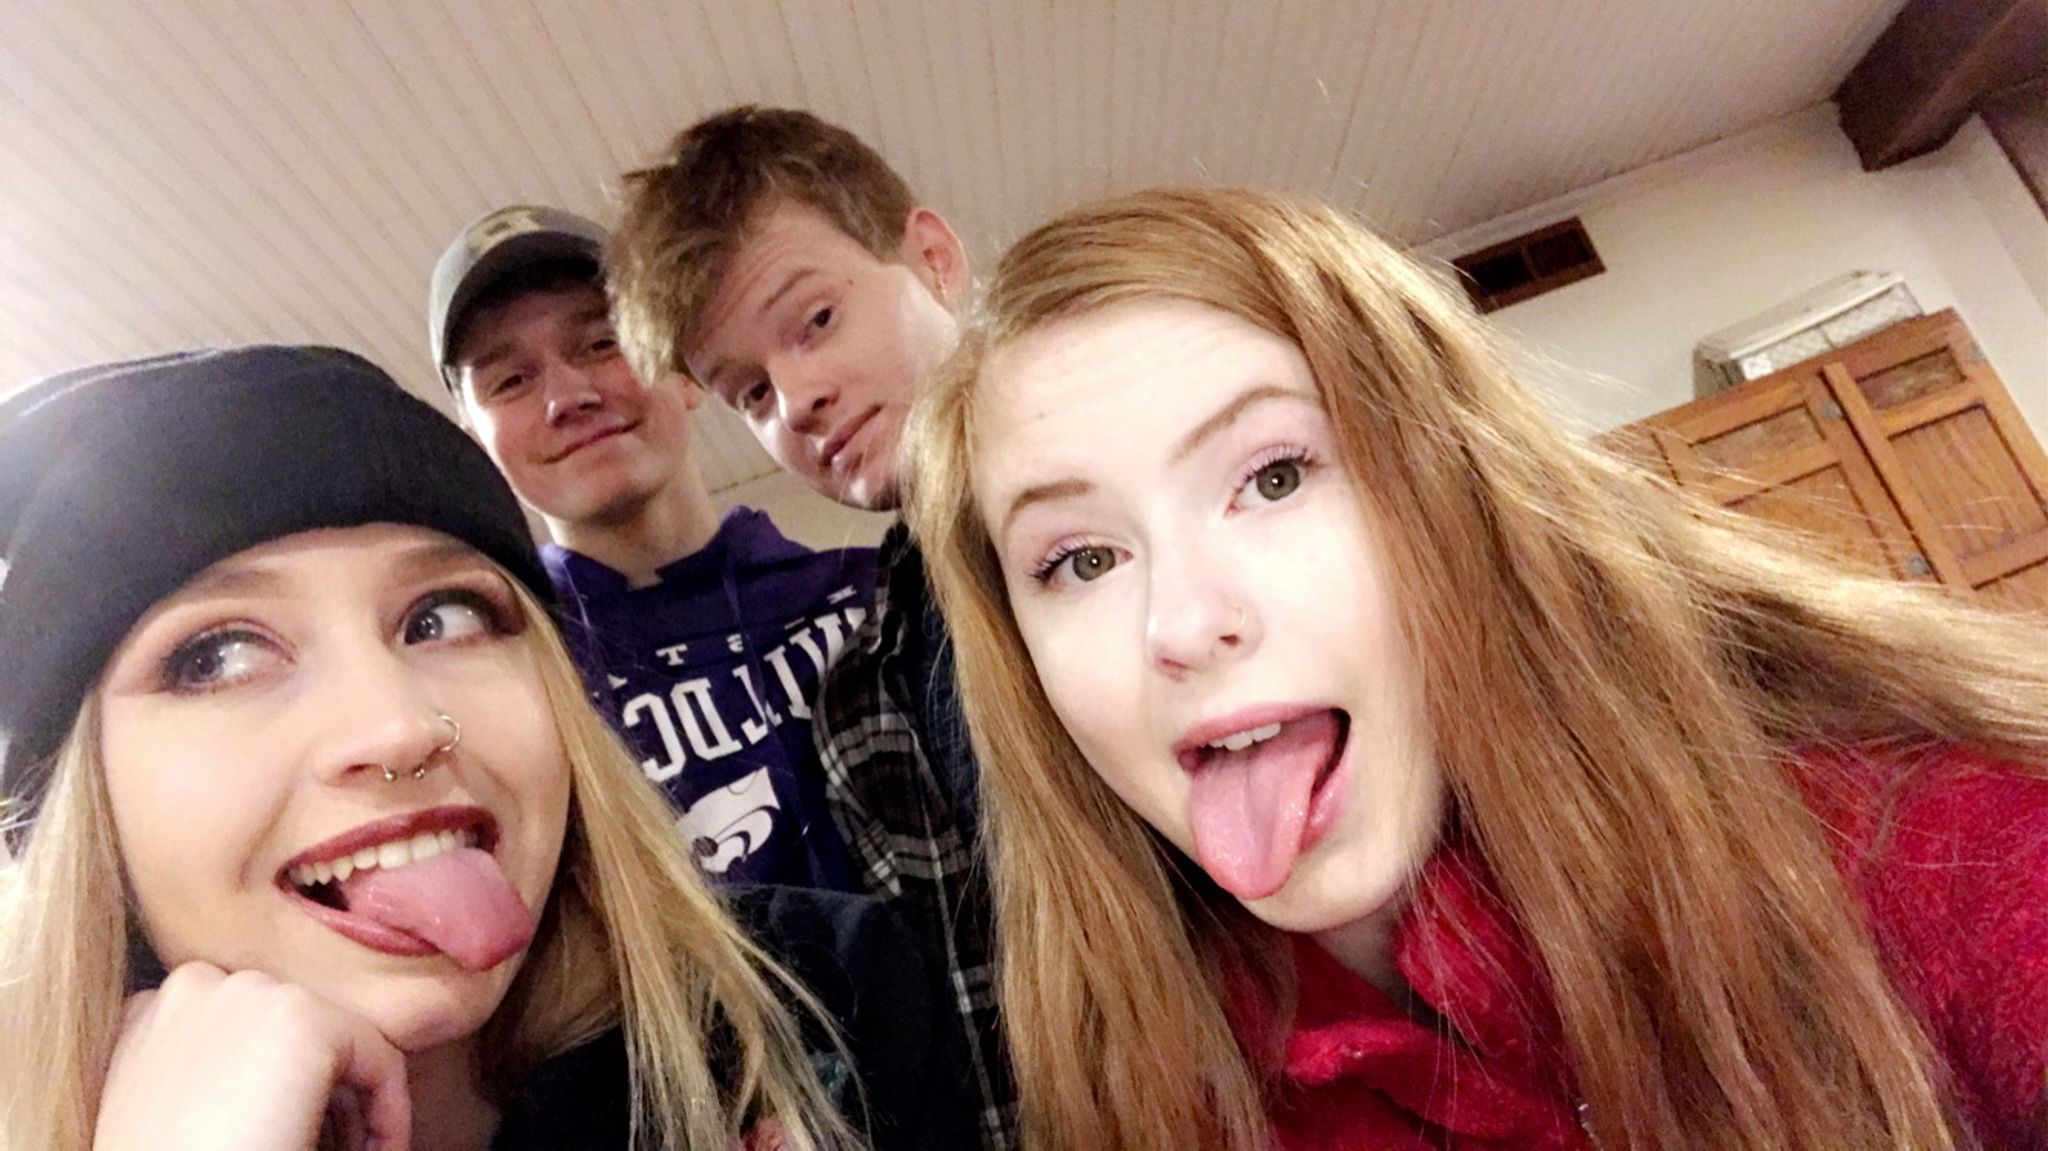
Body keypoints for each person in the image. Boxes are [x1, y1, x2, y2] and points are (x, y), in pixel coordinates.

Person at [905, 188, 2048, 1151]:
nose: (1183, 622)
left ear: (1459, 493)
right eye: (1081, 559)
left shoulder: (1916, 845)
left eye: (1274, 477)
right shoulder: (1144, 1095)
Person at [0, 346, 972, 1150]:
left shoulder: (828, 997)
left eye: (444, 617)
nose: (399, 727)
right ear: (69, 801)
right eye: (217, 655)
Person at [608, 107, 1012, 1147]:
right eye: (749, 390)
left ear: (933, 259)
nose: (796, 399)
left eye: (816, 320)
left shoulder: (1142, 496)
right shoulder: (860, 693)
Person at [429, 205, 874, 890]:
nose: (567, 397)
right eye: (510, 380)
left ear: (685, 371)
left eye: (600, 343)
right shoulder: (494, 688)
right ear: (477, 442)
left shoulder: (875, 600)